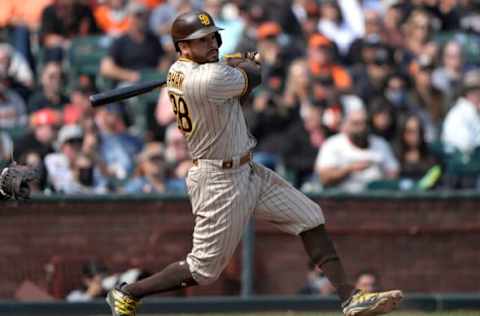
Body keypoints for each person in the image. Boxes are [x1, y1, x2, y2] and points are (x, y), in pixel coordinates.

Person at [105, 10, 403, 316]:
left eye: (212, 37)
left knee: (310, 217)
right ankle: (128, 293)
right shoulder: (207, 77)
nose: (211, 44)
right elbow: (254, 77)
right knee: (203, 270)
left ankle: (350, 297)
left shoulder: (183, 71)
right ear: (182, 47)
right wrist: (247, 62)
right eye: (201, 40)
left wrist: (229, 63)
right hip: (218, 179)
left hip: (246, 168)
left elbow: (228, 83)